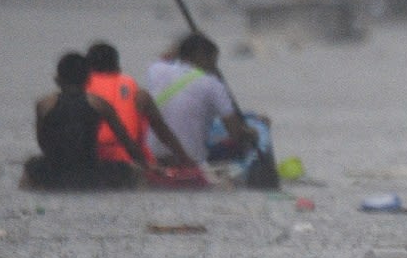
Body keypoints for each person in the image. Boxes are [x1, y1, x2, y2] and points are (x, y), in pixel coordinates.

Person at [23, 52, 148, 190]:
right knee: (136, 172)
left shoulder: (44, 104)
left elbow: (43, 142)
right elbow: (127, 142)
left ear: (57, 79)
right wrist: (146, 165)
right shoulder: (99, 104)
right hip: (90, 171)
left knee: (30, 168)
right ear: (88, 80)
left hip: (55, 171)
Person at [141, 33, 256, 167]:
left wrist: (187, 43)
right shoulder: (213, 84)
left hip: (151, 158)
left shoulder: (155, 69)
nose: (214, 67)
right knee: (246, 142)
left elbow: (168, 55)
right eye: (213, 61)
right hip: (191, 162)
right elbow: (235, 134)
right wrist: (250, 135)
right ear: (201, 56)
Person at [84, 41, 196, 171]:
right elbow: (162, 131)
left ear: (87, 68)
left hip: (92, 161)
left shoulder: (80, 91)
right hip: (132, 162)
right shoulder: (139, 94)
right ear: (117, 66)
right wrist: (186, 160)